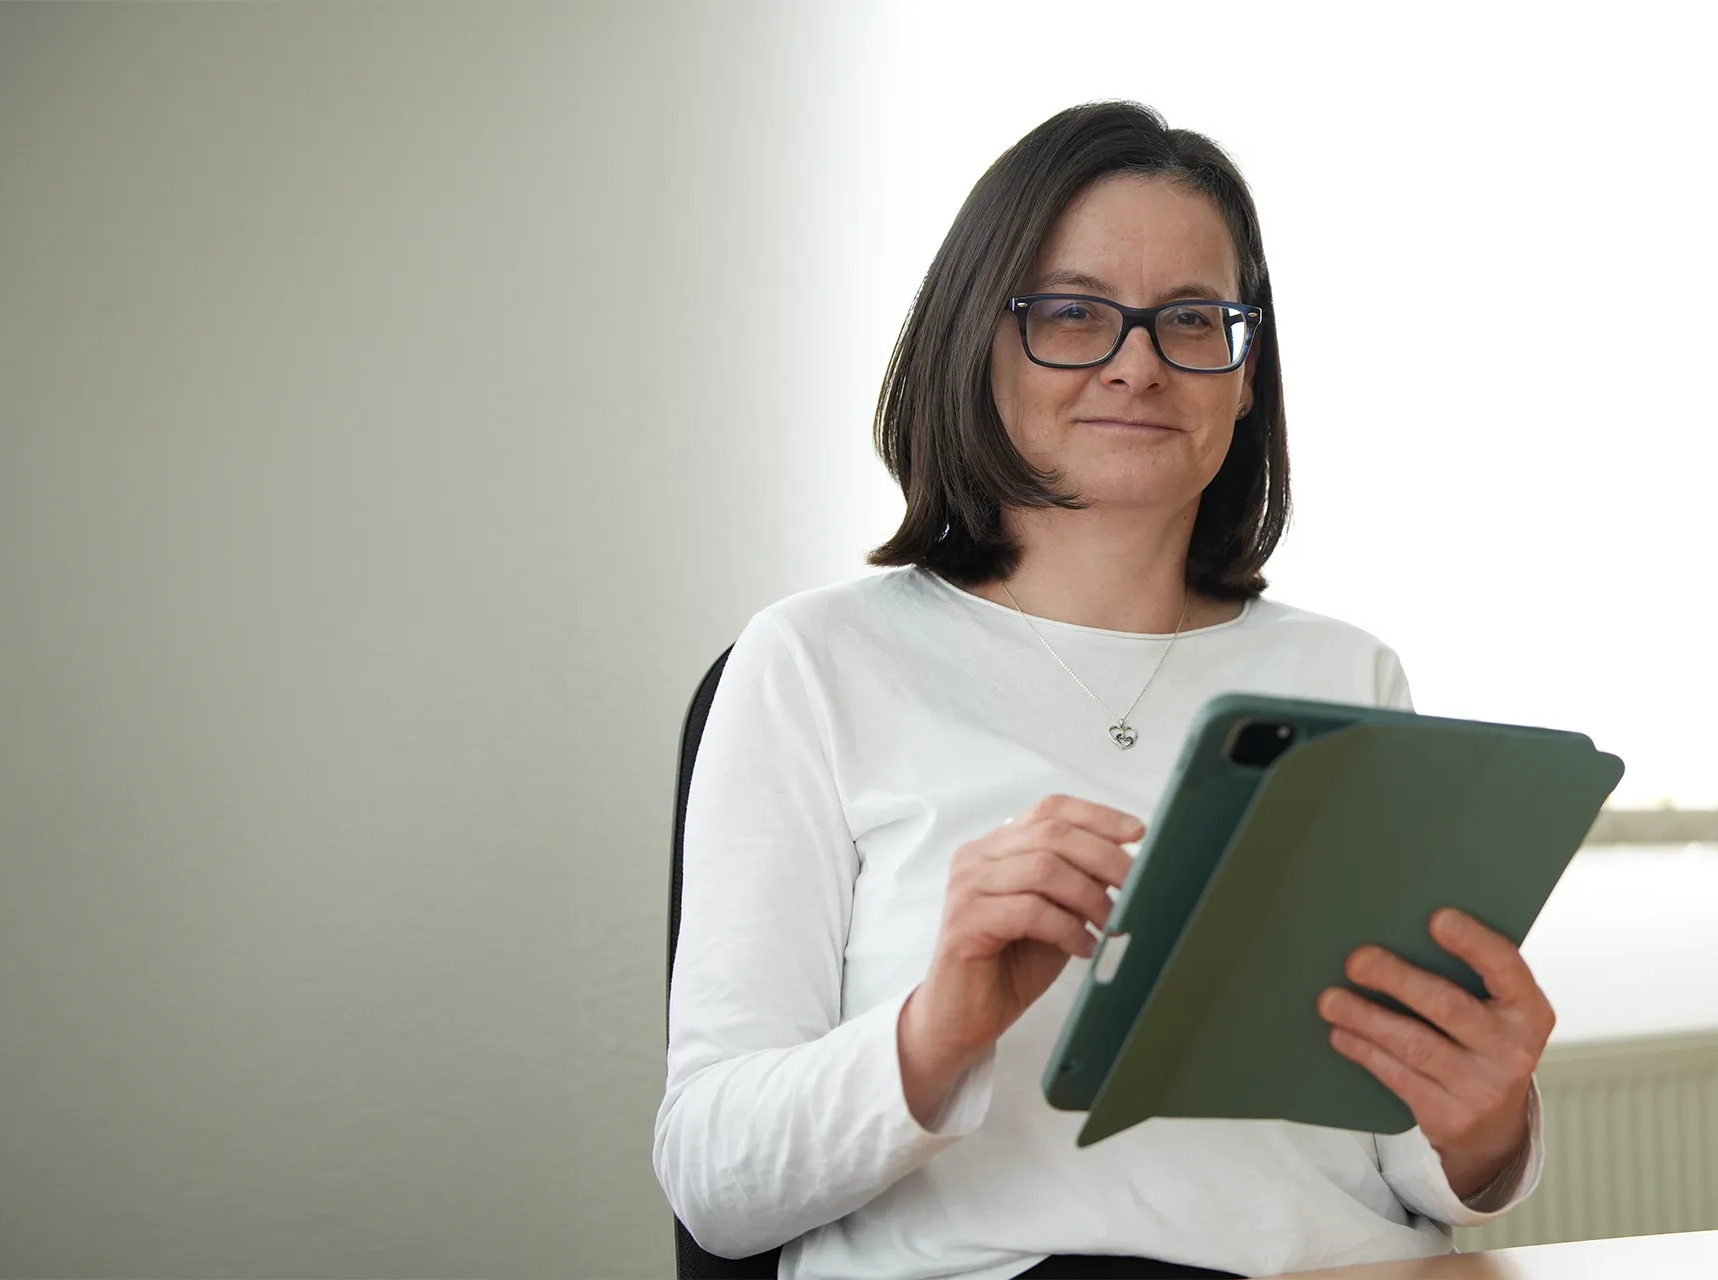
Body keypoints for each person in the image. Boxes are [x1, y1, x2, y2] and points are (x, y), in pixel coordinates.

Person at [652, 101, 1550, 1280]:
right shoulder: (815, 661)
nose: (1137, 361)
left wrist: (1483, 1123)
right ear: (978, 340)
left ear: (1244, 372)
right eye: (1071, 312)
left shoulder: (1348, 673)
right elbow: (715, 1183)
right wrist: (939, 1028)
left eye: (1191, 319)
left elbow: (1394, 1153)